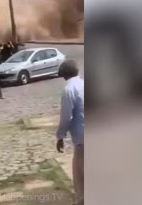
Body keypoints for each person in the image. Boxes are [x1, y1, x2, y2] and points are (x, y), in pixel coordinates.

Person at [55, 59, 84, 205]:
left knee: (80, 176)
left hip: (82, 140)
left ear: (64, 75)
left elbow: (66, 117)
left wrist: (60, 137)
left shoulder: (69, 90)